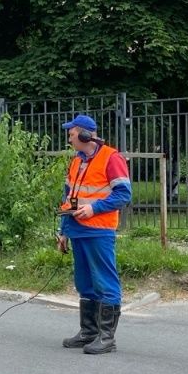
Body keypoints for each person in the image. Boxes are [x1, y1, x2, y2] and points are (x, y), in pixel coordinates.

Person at [57, 114, 132, 354]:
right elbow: (68, 198)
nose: (69, 139)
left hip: (99, 230)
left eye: (71, 134)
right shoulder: (77, 161)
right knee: (84, 282)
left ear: (84, 135)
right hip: (77, 230)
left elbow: (123, 195)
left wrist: (93, 208)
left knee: (105, 281)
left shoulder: (112, 158)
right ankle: (89, 332)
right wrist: (63, 231)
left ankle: (107, 337)